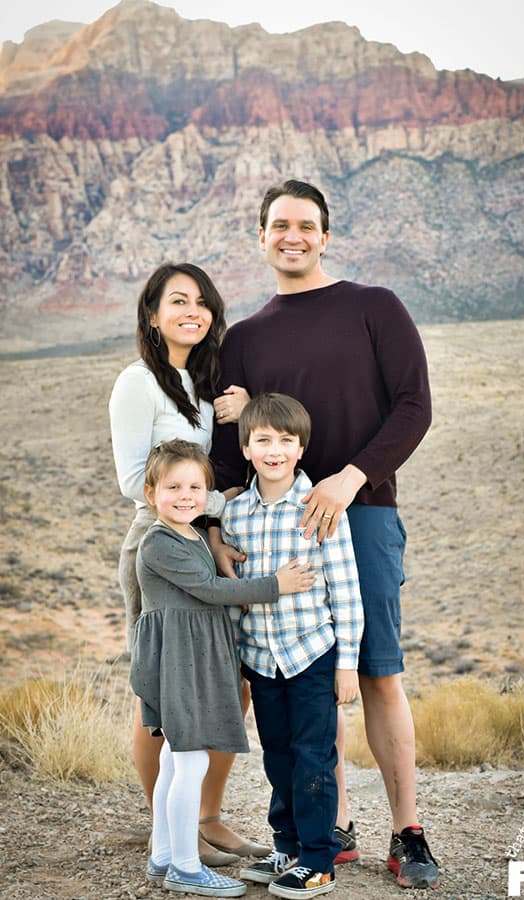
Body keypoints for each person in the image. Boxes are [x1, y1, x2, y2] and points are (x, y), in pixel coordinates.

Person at [210, 180, 441, 889]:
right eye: (279, 225)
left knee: (375, 671)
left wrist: (350, 478)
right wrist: (220, 535)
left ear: (325, 234)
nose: (293, 236)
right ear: (261, 236)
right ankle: (328, 830)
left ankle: (408, 833)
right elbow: (230, 452)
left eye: (306, 225)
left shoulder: (374, 307)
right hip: (278, 531)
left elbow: (414, 406)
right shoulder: (245, 339)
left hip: (362, 515)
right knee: (305, 676)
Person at [109, 262, 267, 865]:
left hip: (204, 538)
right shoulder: (138, 383)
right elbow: (132, 481)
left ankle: (206, 817)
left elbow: (237, 453)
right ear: (153, 314)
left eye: (202, 302)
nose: (192, 311)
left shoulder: (206, 385)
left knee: (228, 683)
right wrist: (215, 504)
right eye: (178, 301)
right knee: (166, 691)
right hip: (158, 541)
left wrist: (245, 411)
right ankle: (170, 834)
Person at [132, 439, 316, 895]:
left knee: (177, 761)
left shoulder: (191, 533)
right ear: (151, 493)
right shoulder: (158, 542)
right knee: (191, 760)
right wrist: (277, 584)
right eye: (173, 486)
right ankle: (186, 868)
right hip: (179, 661)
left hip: (195, 656)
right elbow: (211, 590)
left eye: (196, 486)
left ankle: (162, 856)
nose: (186, 495)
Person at [219, 393, 364, 898]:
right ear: (246, 448)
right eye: (263, 440)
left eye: (286, 441)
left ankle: (319, 859)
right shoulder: (236, 514)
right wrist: (236, 656)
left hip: (312, 655)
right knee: (277, 754)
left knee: (313, 755)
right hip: (261, 658)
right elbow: (236, 593)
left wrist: (348, 665)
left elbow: (345, 592)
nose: (274, 450)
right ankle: (289, 846)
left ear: (301, 449)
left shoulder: (320, 508)